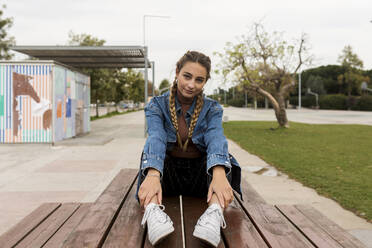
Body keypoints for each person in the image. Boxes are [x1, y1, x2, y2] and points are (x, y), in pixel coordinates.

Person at [135, 51, 242, 247]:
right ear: (177, 72)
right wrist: (152, 175)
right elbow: (156, 137)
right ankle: (153, 212)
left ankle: (214, 213)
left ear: (205, 82)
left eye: (199, 80)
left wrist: (218, 173)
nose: (191, 84)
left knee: (223, 159)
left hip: (200, 180)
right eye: (187, 76)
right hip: (167, 177)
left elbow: (215, 137)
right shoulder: (156, 106)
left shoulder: (213, 109)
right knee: (148, 155)